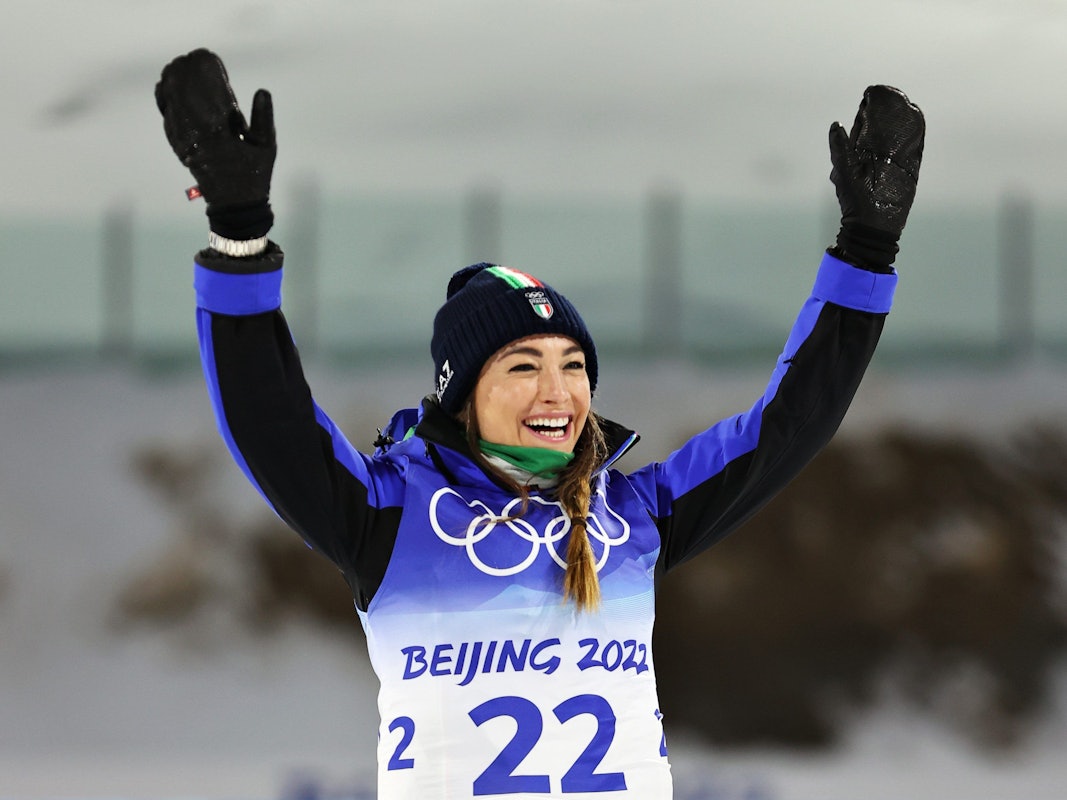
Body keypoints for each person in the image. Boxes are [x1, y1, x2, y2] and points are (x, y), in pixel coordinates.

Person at [156, 48, 924, 799]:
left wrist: (866, 251)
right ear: (462, 396)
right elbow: (270, 421)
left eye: (573, 365)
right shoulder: (390, 516)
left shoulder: (636, 515)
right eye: (522, 366)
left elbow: (788, 425)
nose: (556, 391)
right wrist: (239, 235)